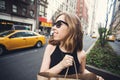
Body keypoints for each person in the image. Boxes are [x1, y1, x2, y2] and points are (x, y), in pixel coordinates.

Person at [40, 12, 103, 80]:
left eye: (58, 24)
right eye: (54, 24)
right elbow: (41, 78)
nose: (53, 28)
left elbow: (82, 71)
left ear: (72, 28)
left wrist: (95, 77)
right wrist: (61, 65)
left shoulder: (81, 54)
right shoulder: (51, 47)